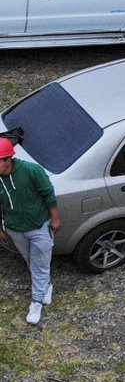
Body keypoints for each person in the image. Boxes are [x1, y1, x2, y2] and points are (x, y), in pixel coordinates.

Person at [0, 137, 59, 326]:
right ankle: (46, 286)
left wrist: (55, 218)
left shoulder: (31, 171)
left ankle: (37, 301)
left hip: (38, 226)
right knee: (31, 260)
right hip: (15, 228)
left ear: (8, 159)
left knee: (40, 263)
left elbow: (48, 194)